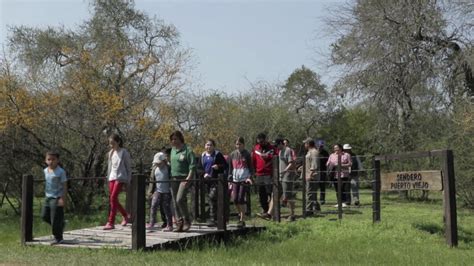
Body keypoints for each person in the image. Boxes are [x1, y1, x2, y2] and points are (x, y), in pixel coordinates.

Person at [169, 130, 196, 232]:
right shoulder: (172, 150)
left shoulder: (187, 150)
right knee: (175, 202)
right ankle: (179, 223)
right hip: (173, 178)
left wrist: (189, 178)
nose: (173, 141)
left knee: (179, 199)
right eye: (172, 139)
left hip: (184, 178)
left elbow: (192, 166)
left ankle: (187, 220)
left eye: (175, 139)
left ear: (180, 138)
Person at [104, 133, 132, 230]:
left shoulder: (124, 152)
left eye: (113, 143)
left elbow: (128, 167)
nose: (111, 145)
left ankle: (111, 222)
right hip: (112, 177)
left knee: (113, 198)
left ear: (118, 142)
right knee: (113, 199)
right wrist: (108, 178)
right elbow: (110, 167)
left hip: (120, 178)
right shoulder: (111, 153)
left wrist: (128, 180)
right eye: (110, 143)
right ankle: (125, 215)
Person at [42, 151, 68, 245]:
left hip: (57, 197)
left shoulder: (61, 172)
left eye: (53, 159)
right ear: (45, 160)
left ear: (58, 160)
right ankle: (61, 224)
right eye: (49, 159)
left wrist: (63, 199)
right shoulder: (45, 170)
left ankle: (58, 238)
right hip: (48, 197)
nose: (51, 161)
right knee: (44, 216)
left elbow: (64, 186)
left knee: (55, 219)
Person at [228, 137, 254, 228]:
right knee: (235, 199)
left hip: (244, 179)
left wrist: (249, 177)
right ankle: (241, 214)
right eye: (237, 144)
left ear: (243, 144)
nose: (238, 146)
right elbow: (230, 169)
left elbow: (251, 168)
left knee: (241, 198)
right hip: (235, 179)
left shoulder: (247, 154)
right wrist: (229, 180)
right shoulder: (232, 154)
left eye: (240, 144)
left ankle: (242, 219)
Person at [201, 139, 227, 227]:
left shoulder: (217, 154)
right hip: (206, 181)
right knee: (210, 199)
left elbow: (225, 165)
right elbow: (198, 168)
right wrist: (203, 174)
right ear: (205, 146)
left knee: (212, 197)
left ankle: (213, 218)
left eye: (210, 145)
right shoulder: (203, 155)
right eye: (207, 145)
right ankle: (216, 218)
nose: (208, 147)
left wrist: (218, 166)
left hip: (216, 180)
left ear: (214, 146)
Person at [252, 133, 277, 219]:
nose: (260, 144)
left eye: (262, 142)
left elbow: (275, 158)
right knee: (261, 194)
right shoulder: (256, 148)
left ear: (266, 140)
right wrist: (254, 172)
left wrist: (267, 156)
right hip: (259, 174)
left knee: (270, 193)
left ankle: (272, 212)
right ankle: (265, 211)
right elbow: (254, 161)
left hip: (269, 174)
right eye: (259, 142)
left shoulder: (272, 148)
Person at [146, 152, 173, 231]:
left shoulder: (168, 168)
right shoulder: (154, 169)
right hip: (158, 190)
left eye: (159, 162)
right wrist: (150, 191)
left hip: (167, 191)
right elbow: (152, 181)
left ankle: (169, 224)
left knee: (166, 207)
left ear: (164, 161)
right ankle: (151, 222)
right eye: (156, 163)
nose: (157, 164)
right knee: (153, 205)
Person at [275, 138, 297, 221]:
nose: (276, 147)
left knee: (288, 195)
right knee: (278, 195)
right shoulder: (280, 151)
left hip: (287, 176)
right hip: (281, 176)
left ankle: (292, 214)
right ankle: (275, 213)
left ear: (281, 143)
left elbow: (291, 163)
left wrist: (285, 170)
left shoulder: (288, 150)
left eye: (277, 145)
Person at [302, 138, 320, 216]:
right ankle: (316, 208)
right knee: (312, 193)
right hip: (307, 174)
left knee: (310, 193)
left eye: (305, 143)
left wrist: (310, 174)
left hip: (312, 176)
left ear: (308, 144)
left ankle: (308, 210)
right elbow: (309, 162)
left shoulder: (314, 152)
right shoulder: (309, 152)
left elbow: (314, 164)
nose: (304, 145)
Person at [317, 140, 330, 205]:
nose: (320, 147)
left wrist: (327, 172)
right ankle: (314, 200)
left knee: (322, 186)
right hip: (315, 171)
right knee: (315, 186)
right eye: (319, 146)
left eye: (321, 146)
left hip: (322, 171)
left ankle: (322, 200)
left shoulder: (325, 153)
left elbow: (328, 162)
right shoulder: (315, 152)